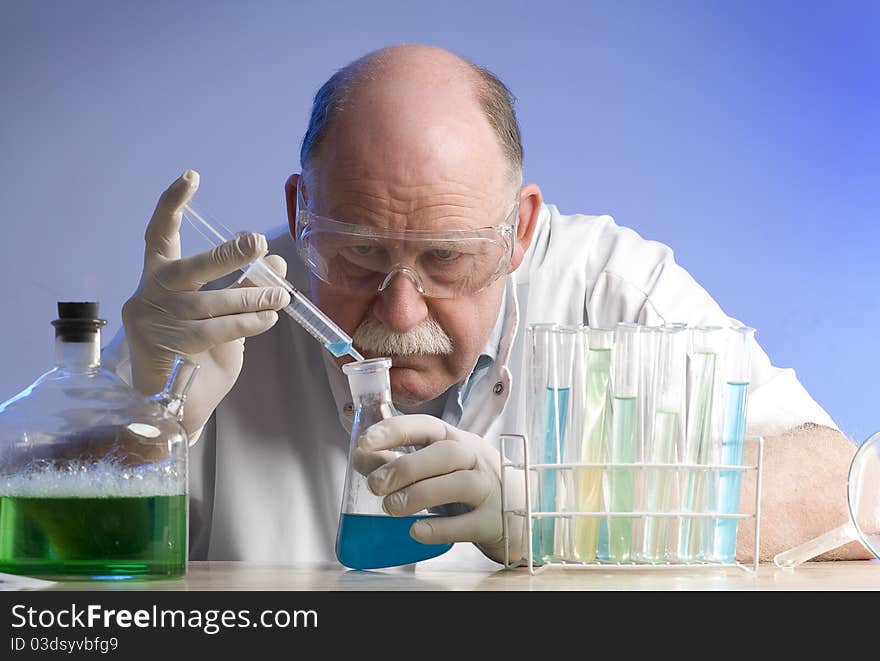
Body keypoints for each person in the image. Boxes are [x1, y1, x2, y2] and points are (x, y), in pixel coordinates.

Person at [105, 44, 869, 568]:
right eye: (361, 252)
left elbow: (849, 488)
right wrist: (139, 418)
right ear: (301, 212)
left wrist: (560, 514)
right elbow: (47, 590)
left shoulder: (613, 292)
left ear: (521, 230)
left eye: (447, 257)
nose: (401, 315)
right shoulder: (211, 322)